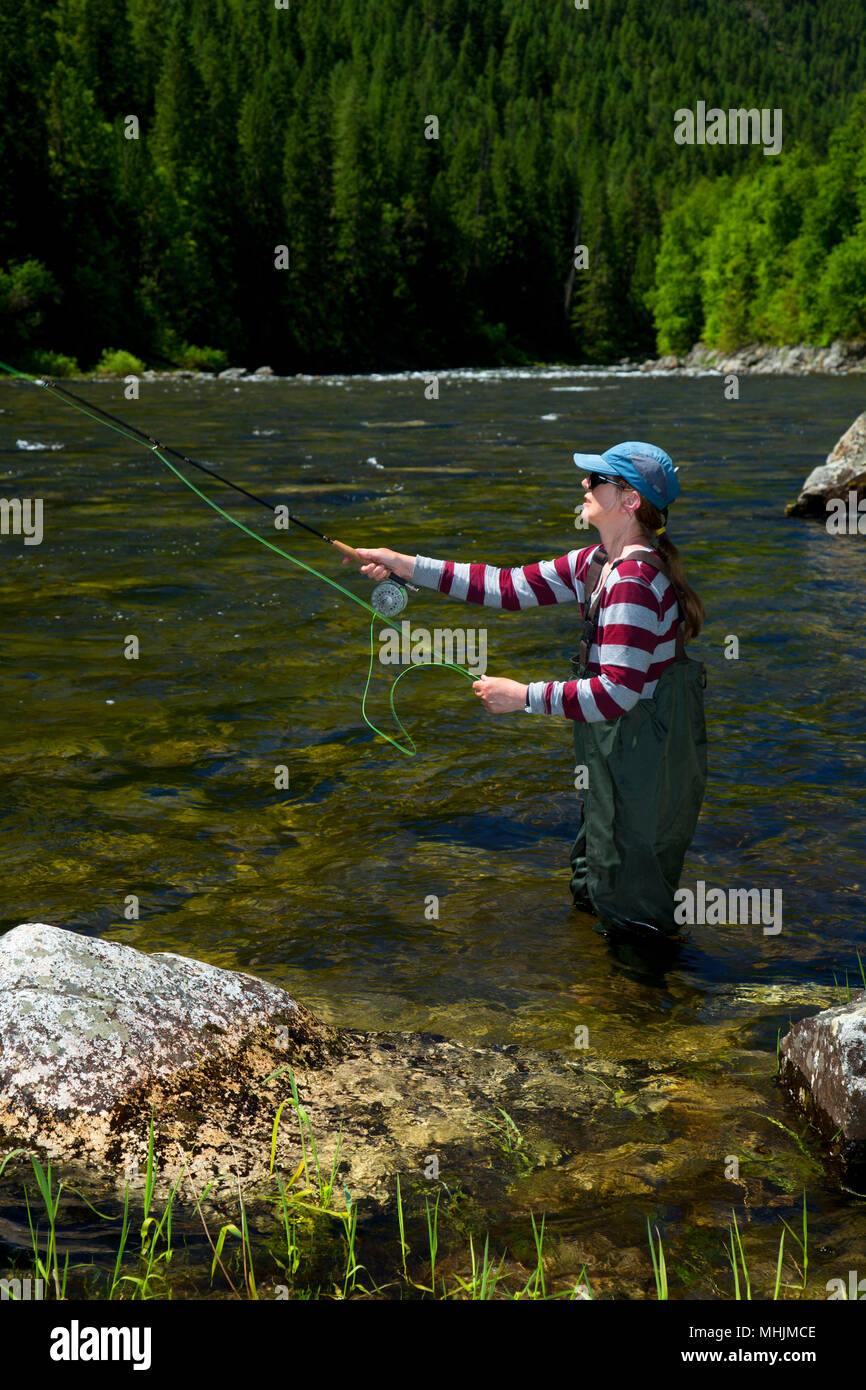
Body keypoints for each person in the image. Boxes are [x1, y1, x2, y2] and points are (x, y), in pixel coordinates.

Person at [349, 441, 707, 943]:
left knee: (633, 900)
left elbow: (617, 693)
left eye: (597, 479)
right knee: (594, 873)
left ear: (630, 501)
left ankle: (646, 1002)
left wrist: (522, 696)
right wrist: (404, 564)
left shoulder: (633, 580)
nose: (584, 484)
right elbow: (506, 586)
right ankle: (600, 983)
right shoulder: (595, 562)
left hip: (647, 751)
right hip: (621, 748)